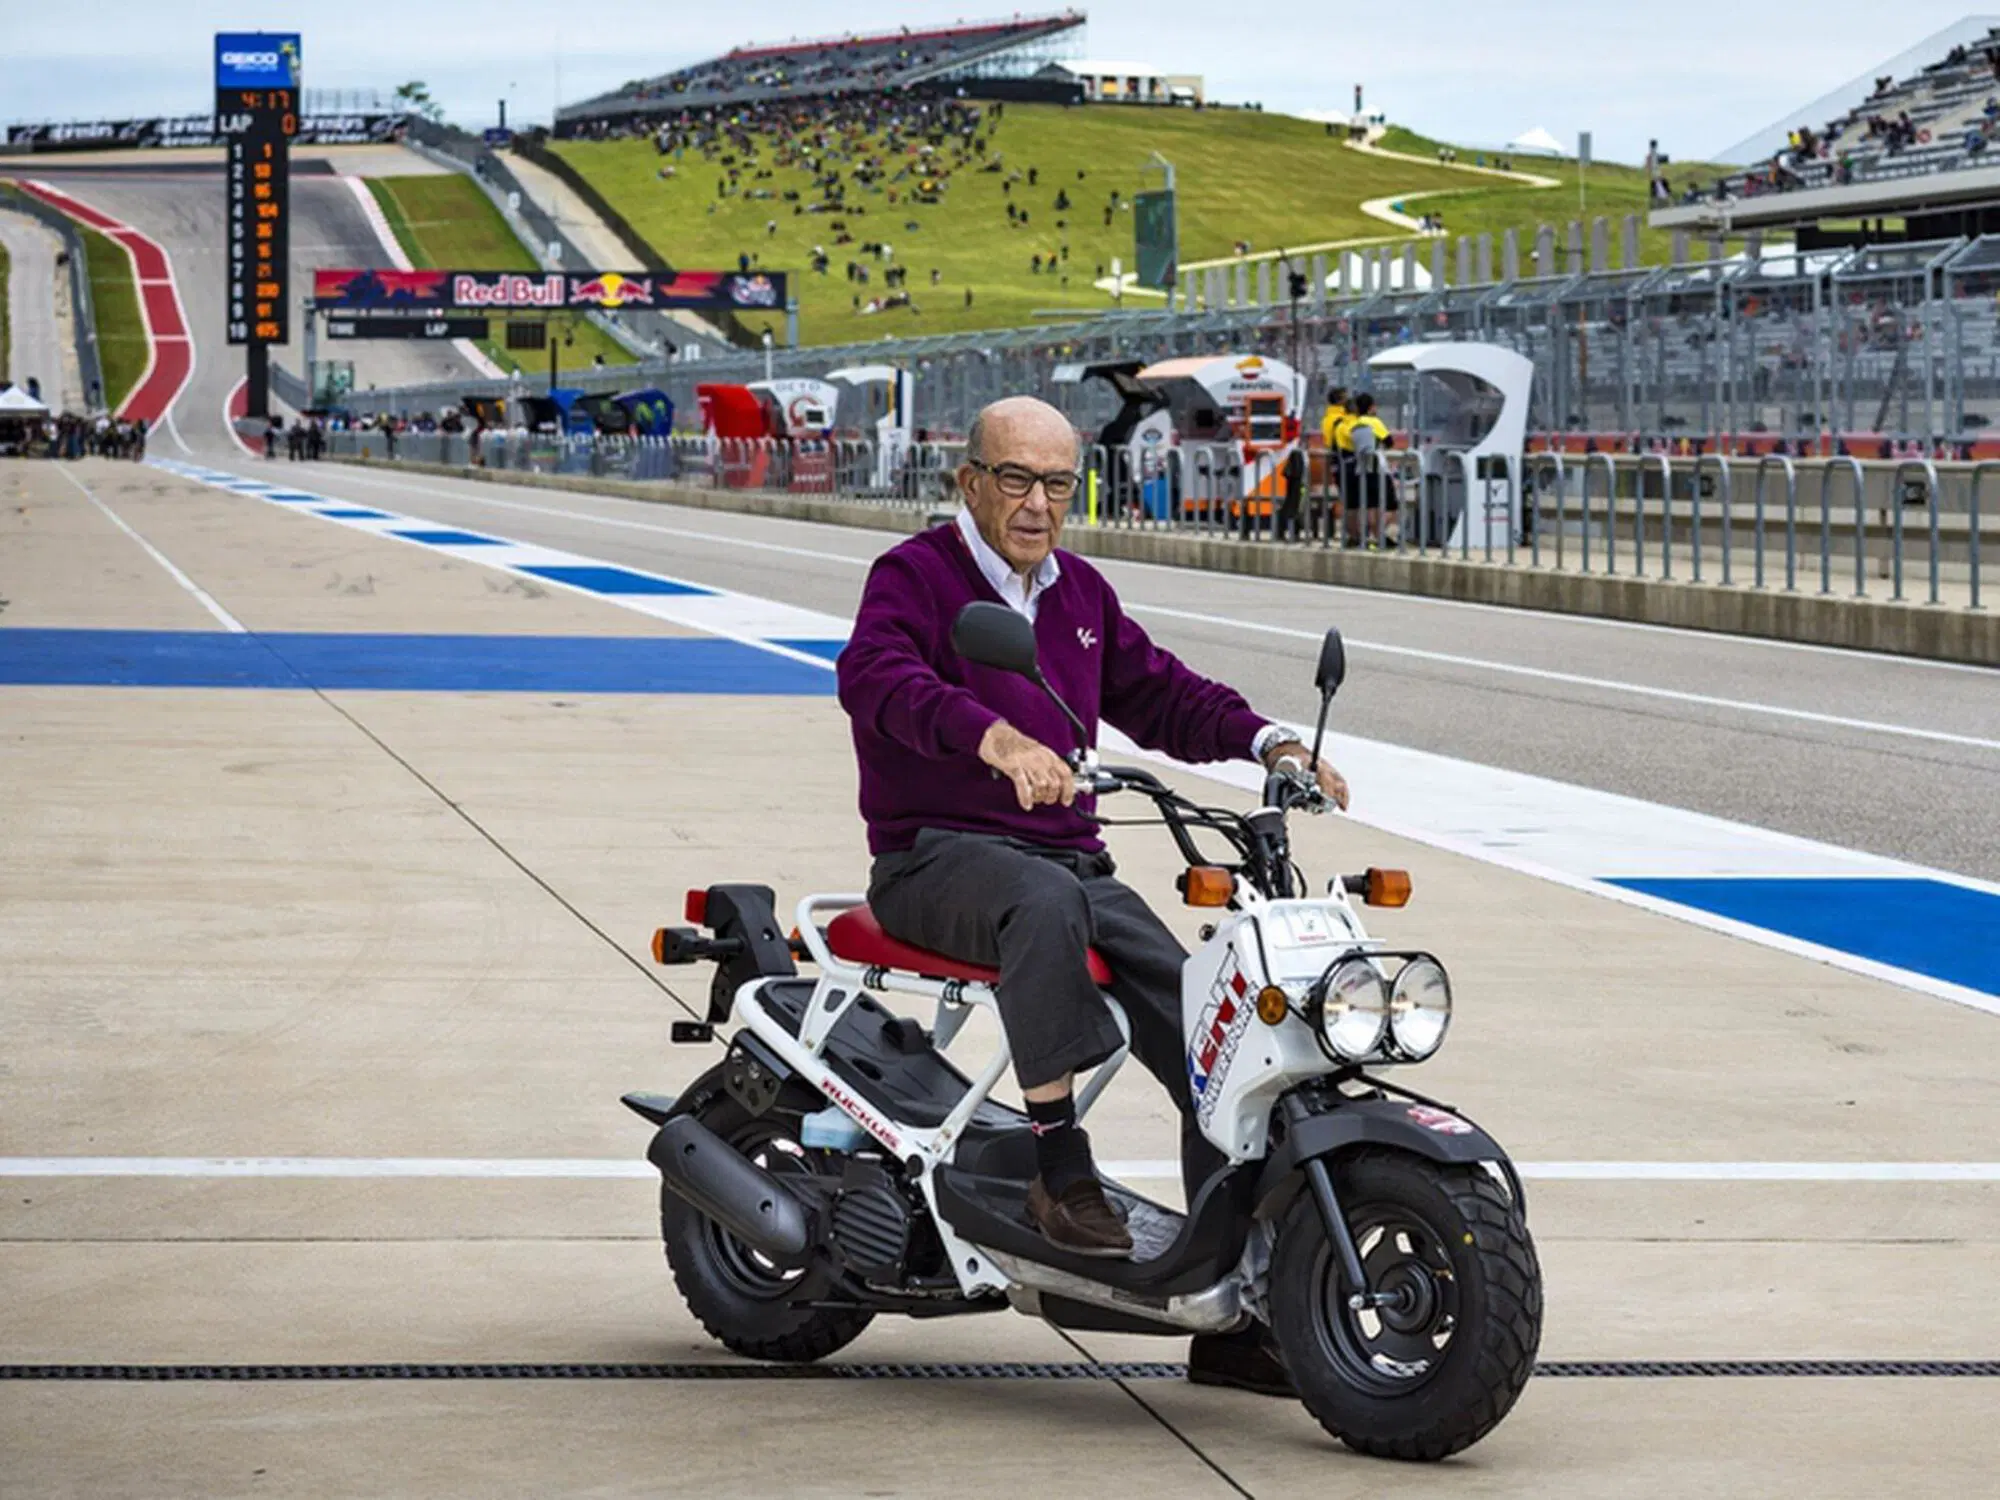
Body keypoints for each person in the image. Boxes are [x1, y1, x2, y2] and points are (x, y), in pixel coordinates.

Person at [835, 396, 1348, 1396]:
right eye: (1016, 480)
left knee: (1215, 1016)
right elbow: (874, 677)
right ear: (968, 481)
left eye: (1057, 484)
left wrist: (1268, 742)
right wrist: (994, 739)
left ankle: (1235, 1301)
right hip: (933, 858)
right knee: (1042, 902)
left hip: (1067, 863)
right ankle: (1057, 1174)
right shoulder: (914, 577)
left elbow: (1159, 691)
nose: (1037, 505)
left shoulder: (1078, 595)